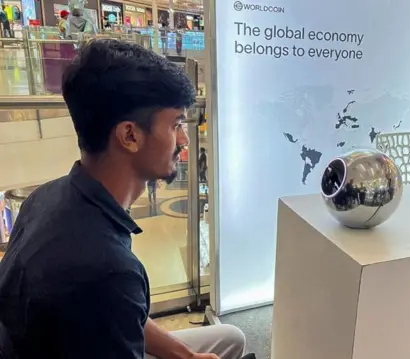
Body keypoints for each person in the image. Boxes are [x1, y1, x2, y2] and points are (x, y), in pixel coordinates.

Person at [0, 40, 245, 359]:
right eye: (175, 125)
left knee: (229, 338)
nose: (184, 139)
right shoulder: (108, 270)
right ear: (129, 135)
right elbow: (109, 297)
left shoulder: (46, 198)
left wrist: (187, 356)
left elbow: (119, 313)